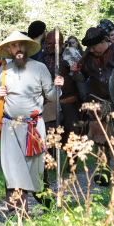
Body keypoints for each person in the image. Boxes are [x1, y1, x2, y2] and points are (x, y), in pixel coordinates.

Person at [0, 31, 64, 215]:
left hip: (34, 127)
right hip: (10, 126)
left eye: (21, 45)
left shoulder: (39, 68)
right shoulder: (4, 69)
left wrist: (58, 86)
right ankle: (17, 212)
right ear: (9, 49)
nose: (18, 49)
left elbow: (52, 96)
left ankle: (47, 206)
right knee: (12, 168)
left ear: (27, 46)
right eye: (14, 46)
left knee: (36, 169)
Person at [70, 27, 114, 186]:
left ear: (103, 42)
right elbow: (82, 77)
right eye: (89, 47)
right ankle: (103, 172)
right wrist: (76, 73)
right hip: (97, 104)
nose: (91, 50)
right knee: (99, 140)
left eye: (94, 47)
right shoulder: (88, 56)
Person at [40, 29, 81, 166]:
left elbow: (79, 78)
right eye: (46, 43)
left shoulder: (71, 55)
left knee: (72, 133)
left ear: (60, 43)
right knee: (50, 131)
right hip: (49, 101)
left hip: (69, 100)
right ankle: (50, 163)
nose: (47, 46)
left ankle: (72, 163)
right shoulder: (42, 57)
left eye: (51, 43)